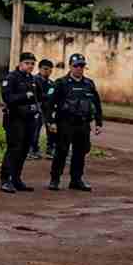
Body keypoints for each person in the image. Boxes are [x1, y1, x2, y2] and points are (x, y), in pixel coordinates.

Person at [48, 53, 104, 192]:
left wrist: (98, 123)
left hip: (83, 124)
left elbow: (96, 104)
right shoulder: (61, 83)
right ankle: (55, 179)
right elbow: (50, 104)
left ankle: (76, 179)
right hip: (65, 123)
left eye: (82, 66)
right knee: (61, 151)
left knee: (81, 152)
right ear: (70, 66)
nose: (79, 68)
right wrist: (51, 122)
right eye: (76, 66)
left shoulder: (88, 84)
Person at [0, 52, 43, 193]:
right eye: (27, 63)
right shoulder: (11, 78)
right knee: (14, 149)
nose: (30, 66)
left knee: (24, 149)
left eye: (32, 64)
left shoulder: (33, 79)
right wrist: (24, 96)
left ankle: (16, 179)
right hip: (15, 119)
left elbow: (40, 97)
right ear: (20, 63)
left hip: (30, 119)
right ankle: (5, 180)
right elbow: (7, 98)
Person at [31, 59, 56, 159]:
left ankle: (50, 149)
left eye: (50, 70)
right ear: (40, 69)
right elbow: (37, 96)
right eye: (45, 69)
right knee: (35, 129)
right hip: (38, 108)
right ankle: (33, 150)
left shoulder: (51, 83)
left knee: (52, 129)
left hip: (48, 109)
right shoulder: (34, 80)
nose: (47, 72)